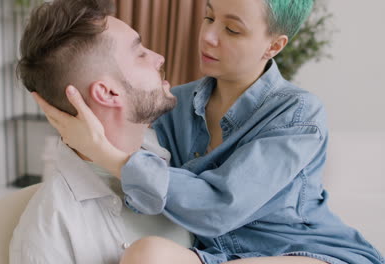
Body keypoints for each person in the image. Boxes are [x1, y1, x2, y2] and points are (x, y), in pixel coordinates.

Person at [33, 0, 385, 263]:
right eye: (209, 16)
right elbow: (138, 175)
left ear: (274, 46)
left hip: (303, 254)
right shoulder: (175, 104)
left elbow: (219, 207)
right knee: (149, 255)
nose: (209, 36)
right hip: (217, 256)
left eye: (232, 29)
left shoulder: (297, 114)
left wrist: (108, 156)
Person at [9, 0, 193, 263]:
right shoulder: (49, 233)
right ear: (107, 93)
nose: (158, 58)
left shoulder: (181, 151)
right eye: (140, 54)